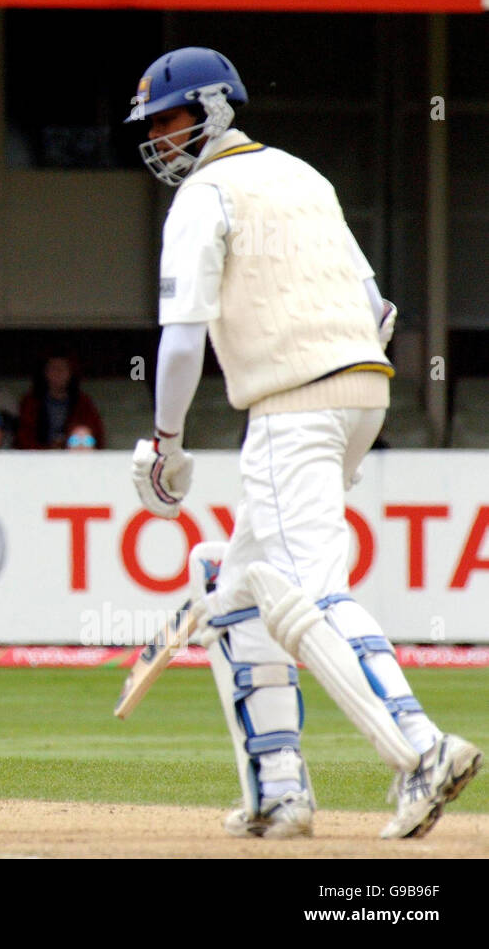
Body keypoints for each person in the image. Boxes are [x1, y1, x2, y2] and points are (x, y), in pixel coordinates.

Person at [125, 47, 480, 840]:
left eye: (170, 118)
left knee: (309, 590)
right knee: (231, 583)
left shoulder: (203, 195)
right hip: (364, 388)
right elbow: (378, 309)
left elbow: (181, 343)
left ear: (214, 109)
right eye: (150, 123)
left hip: (292, 401)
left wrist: (165, 445)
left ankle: (421, 749)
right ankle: (277, 792)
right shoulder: (302, 175)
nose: (158, 135)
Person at [16, 352, 105, 450]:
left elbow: (96, 435)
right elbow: (23, 437)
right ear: (45, 372)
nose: (58, 373)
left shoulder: (83, 402)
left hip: (74, 457)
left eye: (62, 369)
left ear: (71, 373)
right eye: (53, 369)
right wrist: (47, 450)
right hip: (37, 458)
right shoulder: (31, 402)